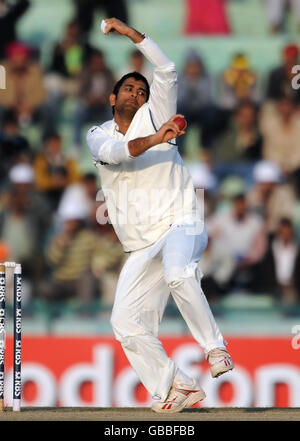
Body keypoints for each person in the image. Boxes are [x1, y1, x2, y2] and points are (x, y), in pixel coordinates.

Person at [87, 18, 234, 414]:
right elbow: (120, 153)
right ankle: (175, 386)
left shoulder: (157, 112)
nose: (136, 93)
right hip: (141, 245)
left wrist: (131, 34)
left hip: (182, 222)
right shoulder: (98, 135)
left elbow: (166, 69)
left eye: (141, 89)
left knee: (179, 272)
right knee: (124, 322)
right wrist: (159, 138)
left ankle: (215, 349)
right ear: (113, 99)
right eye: (129, 89)